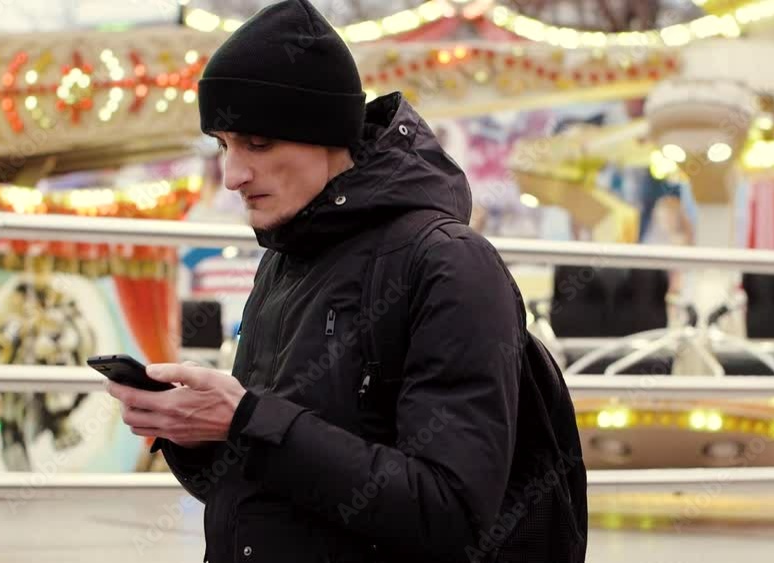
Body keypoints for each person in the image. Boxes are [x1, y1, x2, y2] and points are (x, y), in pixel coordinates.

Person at [105, 1, 534, 562]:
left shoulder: (449, 265)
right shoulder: (285, 257)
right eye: (224, 145)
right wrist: (195, 432)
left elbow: (448, 511)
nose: (232, 175)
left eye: (257, 143)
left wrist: (247, 420)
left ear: (328, 135)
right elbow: (271, 491)